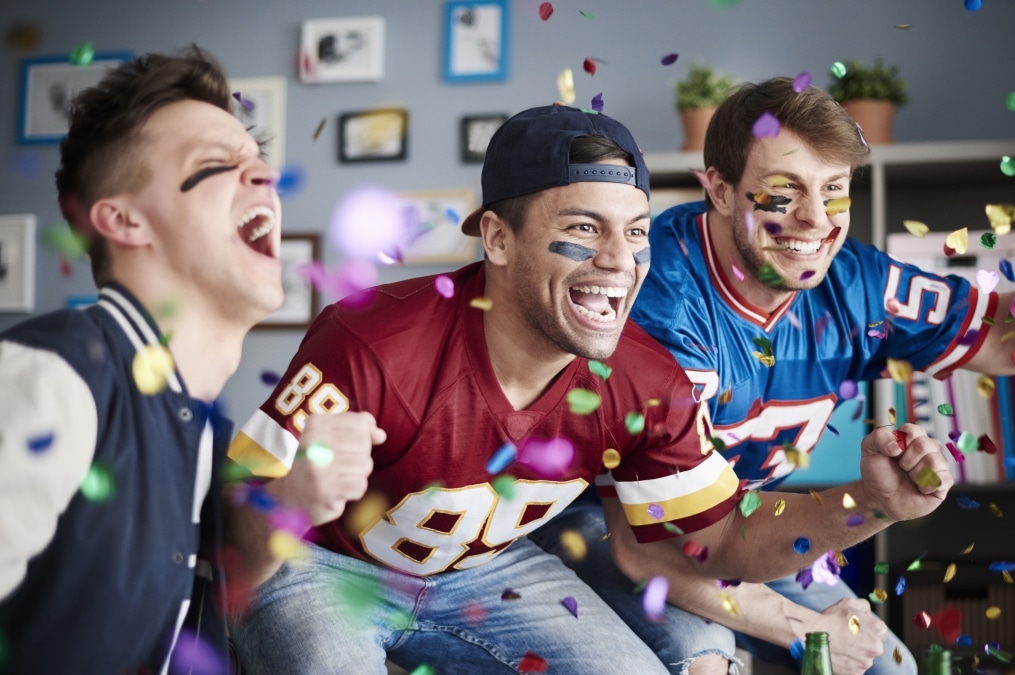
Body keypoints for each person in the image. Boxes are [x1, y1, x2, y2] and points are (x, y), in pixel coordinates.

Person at [221, 104, 955, 675]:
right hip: (324, 562)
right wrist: (288, 500)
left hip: (490, 567)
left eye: (635, 233)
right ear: (497, 239)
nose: (619, 262)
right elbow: (239, 521)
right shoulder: (371, 343)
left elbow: (719, 540)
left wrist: (870, 500)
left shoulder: (643, 378)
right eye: (583, 227)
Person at [532, 77, 1015, 675]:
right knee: (703, 662)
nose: (815, 220)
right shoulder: (654, 299)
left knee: (889, 665)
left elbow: (1010, 335)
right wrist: (812, 631)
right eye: (783, 194)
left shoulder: (855, 284)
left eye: (833, 190)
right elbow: (651, 548)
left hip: (745, 519)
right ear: (721, 189)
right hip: (608, 521)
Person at [0, 46, 283, 673]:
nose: (264, 175)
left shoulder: (204, 428)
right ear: (124, 220)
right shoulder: (54, 378)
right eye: (217, 164)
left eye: (259, 161)